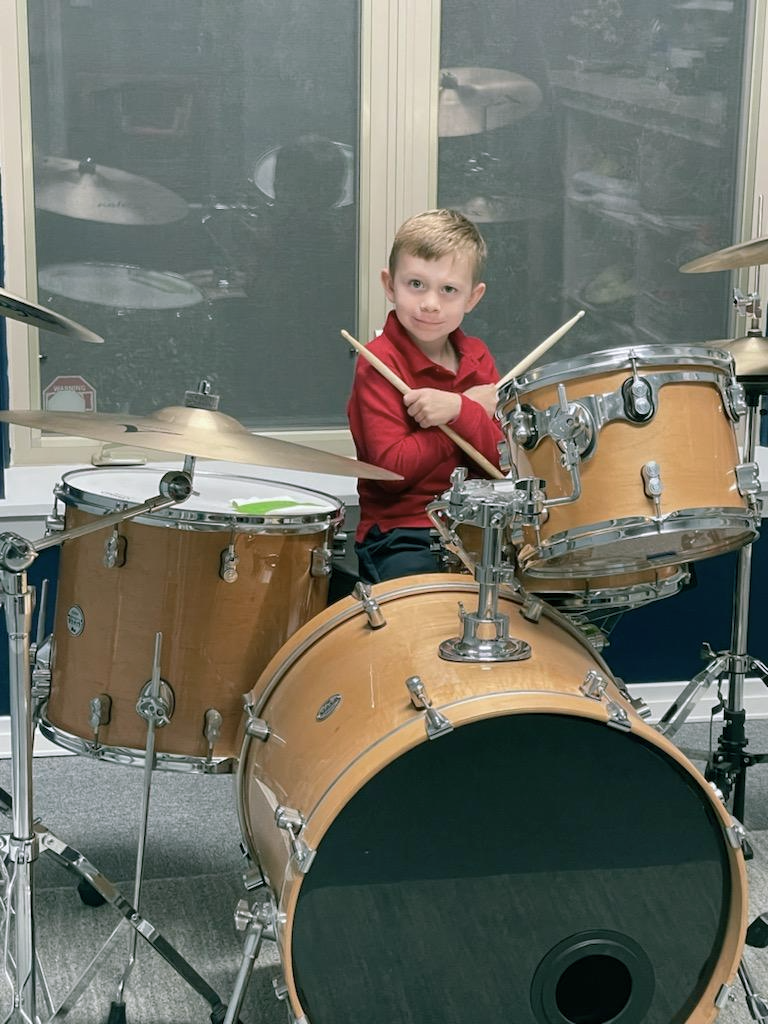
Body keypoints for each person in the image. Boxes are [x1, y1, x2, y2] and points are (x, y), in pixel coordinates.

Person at [347, 207, 505, 584]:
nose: (431, 303)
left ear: (473, 297)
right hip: (402, 533)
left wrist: (457, 409)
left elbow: (500, 463)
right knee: (428, 615)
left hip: (478, 526)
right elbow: (391, 474)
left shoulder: (477, 356)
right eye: (415, 284)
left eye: (448, 289)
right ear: (390, 285)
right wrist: (465, 411)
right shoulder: (377, 363)